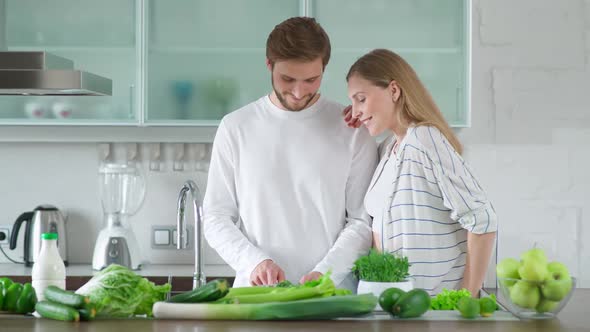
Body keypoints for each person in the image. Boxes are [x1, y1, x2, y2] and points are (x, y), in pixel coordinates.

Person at [203, 17, 378, 290]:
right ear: (269, 65)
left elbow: (361, 222)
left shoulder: (352, 130)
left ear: (324, 68)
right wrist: (254, 263)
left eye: (311, 80)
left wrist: (325, 273)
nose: (299, 92)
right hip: (256, 296)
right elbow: (215, 217)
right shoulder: (236, 127)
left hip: (330, 297)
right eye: (288, 79)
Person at [344, 49, 497, 296]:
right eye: (352, 102)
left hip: (433, 310)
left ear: (394, 90)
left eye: (361, 99)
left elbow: (482, 219)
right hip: (397, 307)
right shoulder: (388, 149)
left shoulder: (423, 140)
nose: (355, 111)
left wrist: (466, 299)